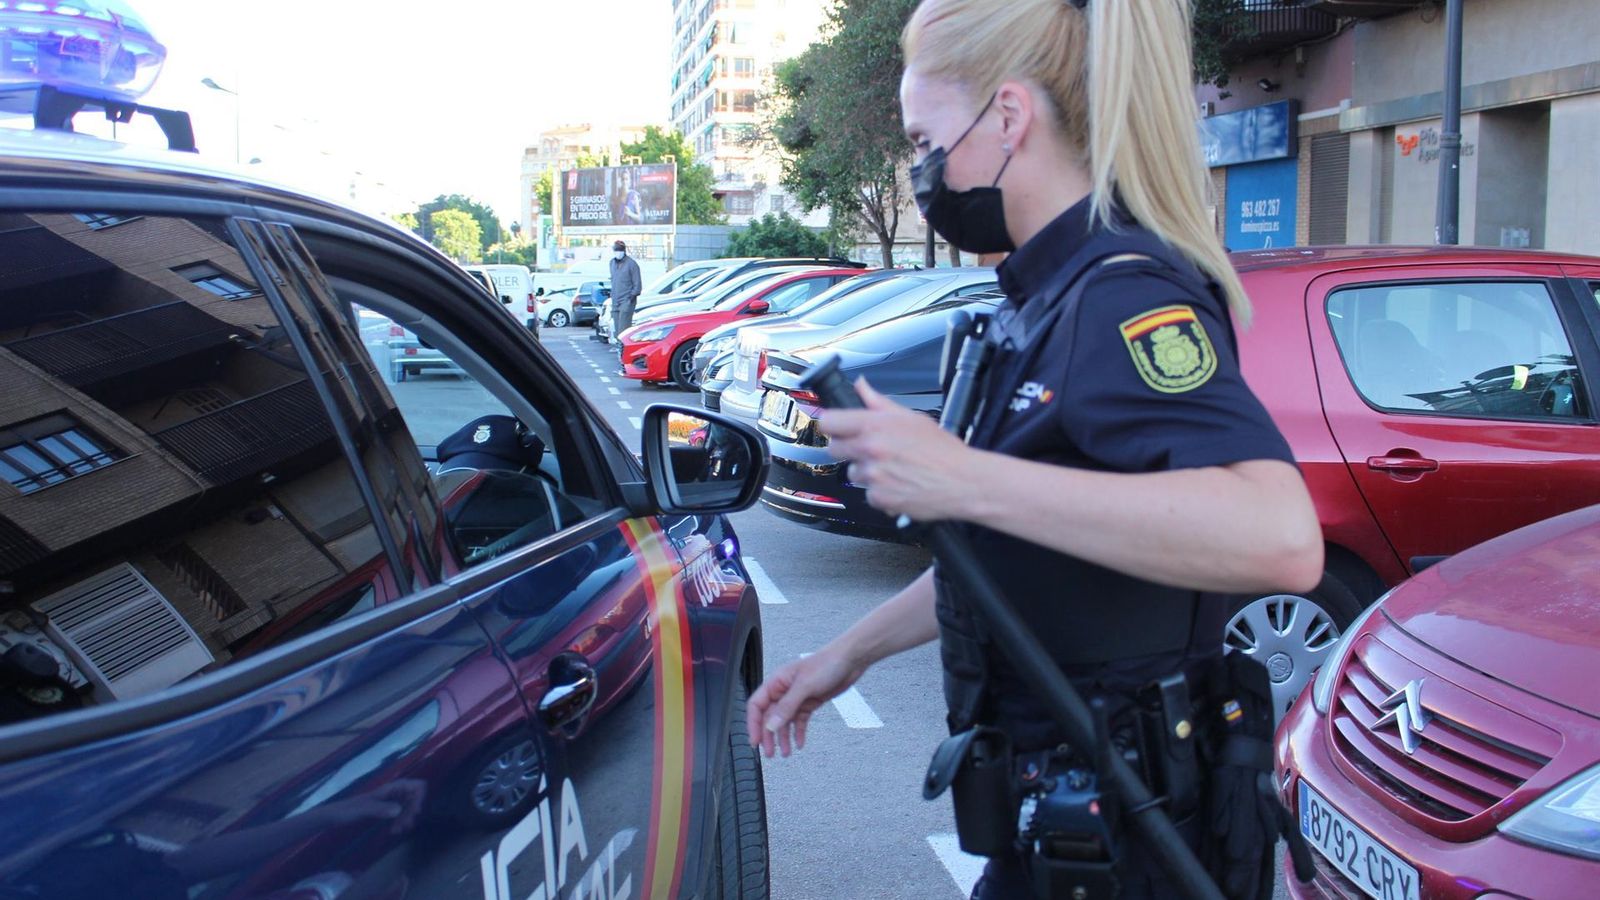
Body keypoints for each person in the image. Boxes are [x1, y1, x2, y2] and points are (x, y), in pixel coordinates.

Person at [746, 1, 1324, 898]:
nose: (920, 171)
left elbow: (1281, 537)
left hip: (1130, 843)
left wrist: (967, 478)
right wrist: (846, 657)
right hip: (1067, 828)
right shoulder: (1042, 300)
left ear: (1009, 118)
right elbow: (1017, 560)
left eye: (925, 139)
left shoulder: (1122, 296)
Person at [609, 239, 642, 354]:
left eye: (620, 250)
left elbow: (637, 285)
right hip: (615, 301)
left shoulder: (632, 264)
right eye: (616, 250)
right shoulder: (612, 263)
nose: (618, 252)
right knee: (617, 329)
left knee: (624, 328)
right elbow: (613, 280)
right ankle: (620, 350)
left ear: (624, 250)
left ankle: (625, 351)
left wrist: (630, 298)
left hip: (626, 300)